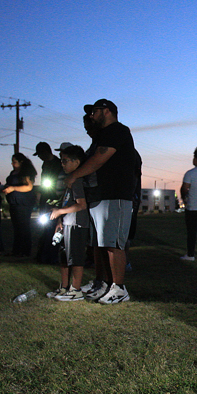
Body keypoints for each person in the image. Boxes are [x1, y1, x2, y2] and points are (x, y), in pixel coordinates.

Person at [63, 99, 138, 305]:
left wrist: (74, 175)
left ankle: (119, 288)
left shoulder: (118, 130)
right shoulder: (102, 136)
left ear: (106, 111)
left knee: (114, 244)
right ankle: (105, 283)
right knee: (101, 243)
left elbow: (99, 159)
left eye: (94, 112)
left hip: (115, 195)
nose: (90, 116)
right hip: (100, 196)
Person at [46, 145, 90, 301]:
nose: (62, 164)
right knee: (64, 256)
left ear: (77, 162)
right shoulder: (69, 181)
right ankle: (64, 287)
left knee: (76, 258)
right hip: (66, 223)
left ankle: (75, 289)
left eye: (65, 161)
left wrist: (60, 212)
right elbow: (65, 203)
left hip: (77, 224)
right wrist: (59, 219)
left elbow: (81, 204)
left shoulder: (77, 181)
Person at [35, 141, 66, 264]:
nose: (39, 157)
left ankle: (51, 256)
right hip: (45, 199)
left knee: (52, 229)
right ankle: (43, 254)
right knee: (45, 228)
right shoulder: (45, 164)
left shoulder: (57, 164)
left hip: (54, 199)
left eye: (40, 154)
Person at [2, 153, 38, 257]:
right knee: (17, 227)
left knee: (23, 227)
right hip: (13, 202)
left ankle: (25, 251)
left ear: (21, 162)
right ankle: (16, 250)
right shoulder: (13, 172)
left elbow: (28, 187)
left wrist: (13, 188)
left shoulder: (25, 173)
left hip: (23, 203)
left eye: (14, 162)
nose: (12, 164)